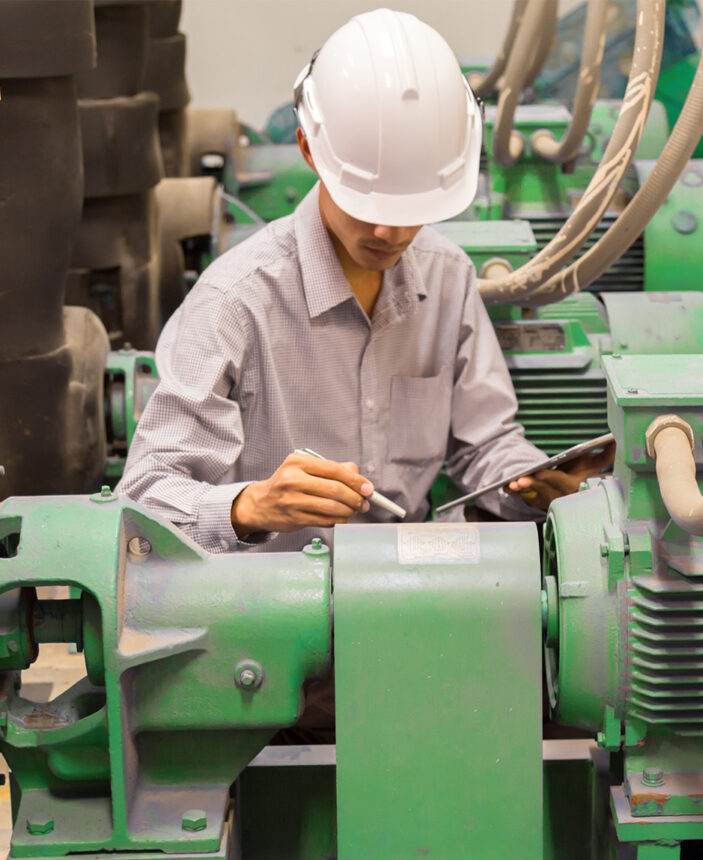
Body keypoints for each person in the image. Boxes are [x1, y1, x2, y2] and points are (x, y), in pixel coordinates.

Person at [118, 8, 610, 557]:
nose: (390, 231)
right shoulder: (236, 300)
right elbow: (143, 494)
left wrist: (534, 486)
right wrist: (249, 507)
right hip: (268, 601)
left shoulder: (448, 278)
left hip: (407, 583)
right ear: (309, 151)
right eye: (366, 203)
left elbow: (486, 444)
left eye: (415, 206)